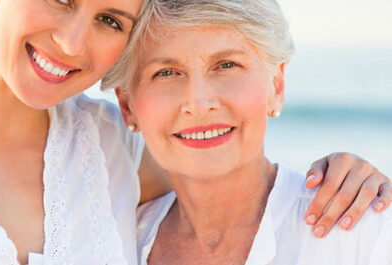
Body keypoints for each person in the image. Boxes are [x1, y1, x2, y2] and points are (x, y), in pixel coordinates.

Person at [0, 0, 390, 264]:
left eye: (110, 20)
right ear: (128, 103)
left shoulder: (110, 148)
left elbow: (227, 183)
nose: (70, 42)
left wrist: (351, 176)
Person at [107, 0, 392, 264]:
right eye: (166, 73)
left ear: (276, 87)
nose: (199, 103)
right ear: (127, 106)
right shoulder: (113, 239)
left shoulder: (365, 233)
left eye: (227, 65)